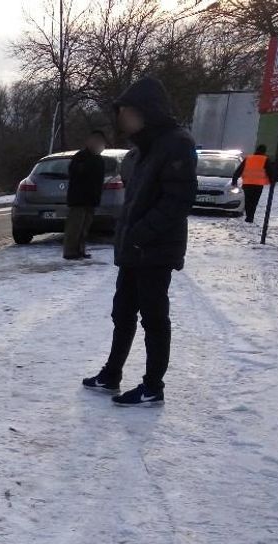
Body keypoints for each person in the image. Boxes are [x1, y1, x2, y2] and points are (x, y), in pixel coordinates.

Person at [82, 77, 197, 407]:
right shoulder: (144, 147)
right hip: (135, 248)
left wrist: (141, 233)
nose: (122, 118)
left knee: (154, 318)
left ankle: (152, 386)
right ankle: (111, 374)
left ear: (147, 111)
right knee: (123, 312)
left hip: (156, 250)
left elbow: (178, 200)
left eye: (127, 112)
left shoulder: (176, 143)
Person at [63, 131, 108, 260]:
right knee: (75, 227)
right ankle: (70, 251)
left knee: (84, 228)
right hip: (79, 199)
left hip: (91, 199)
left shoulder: (99, 160)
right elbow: (75, 173)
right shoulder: (81, 157)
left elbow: (99, 180)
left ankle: (80, 250)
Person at [231, 145, 274, 224]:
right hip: (258, 184)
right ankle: (250, 217)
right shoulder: (265, 159)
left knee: (247, 200)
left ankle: (248, 215)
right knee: (254, 201)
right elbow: (270, 172)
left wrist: (234, 180)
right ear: (264, 151)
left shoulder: (248, 158)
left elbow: (239, 170)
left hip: (247, 183)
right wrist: (272, 182)